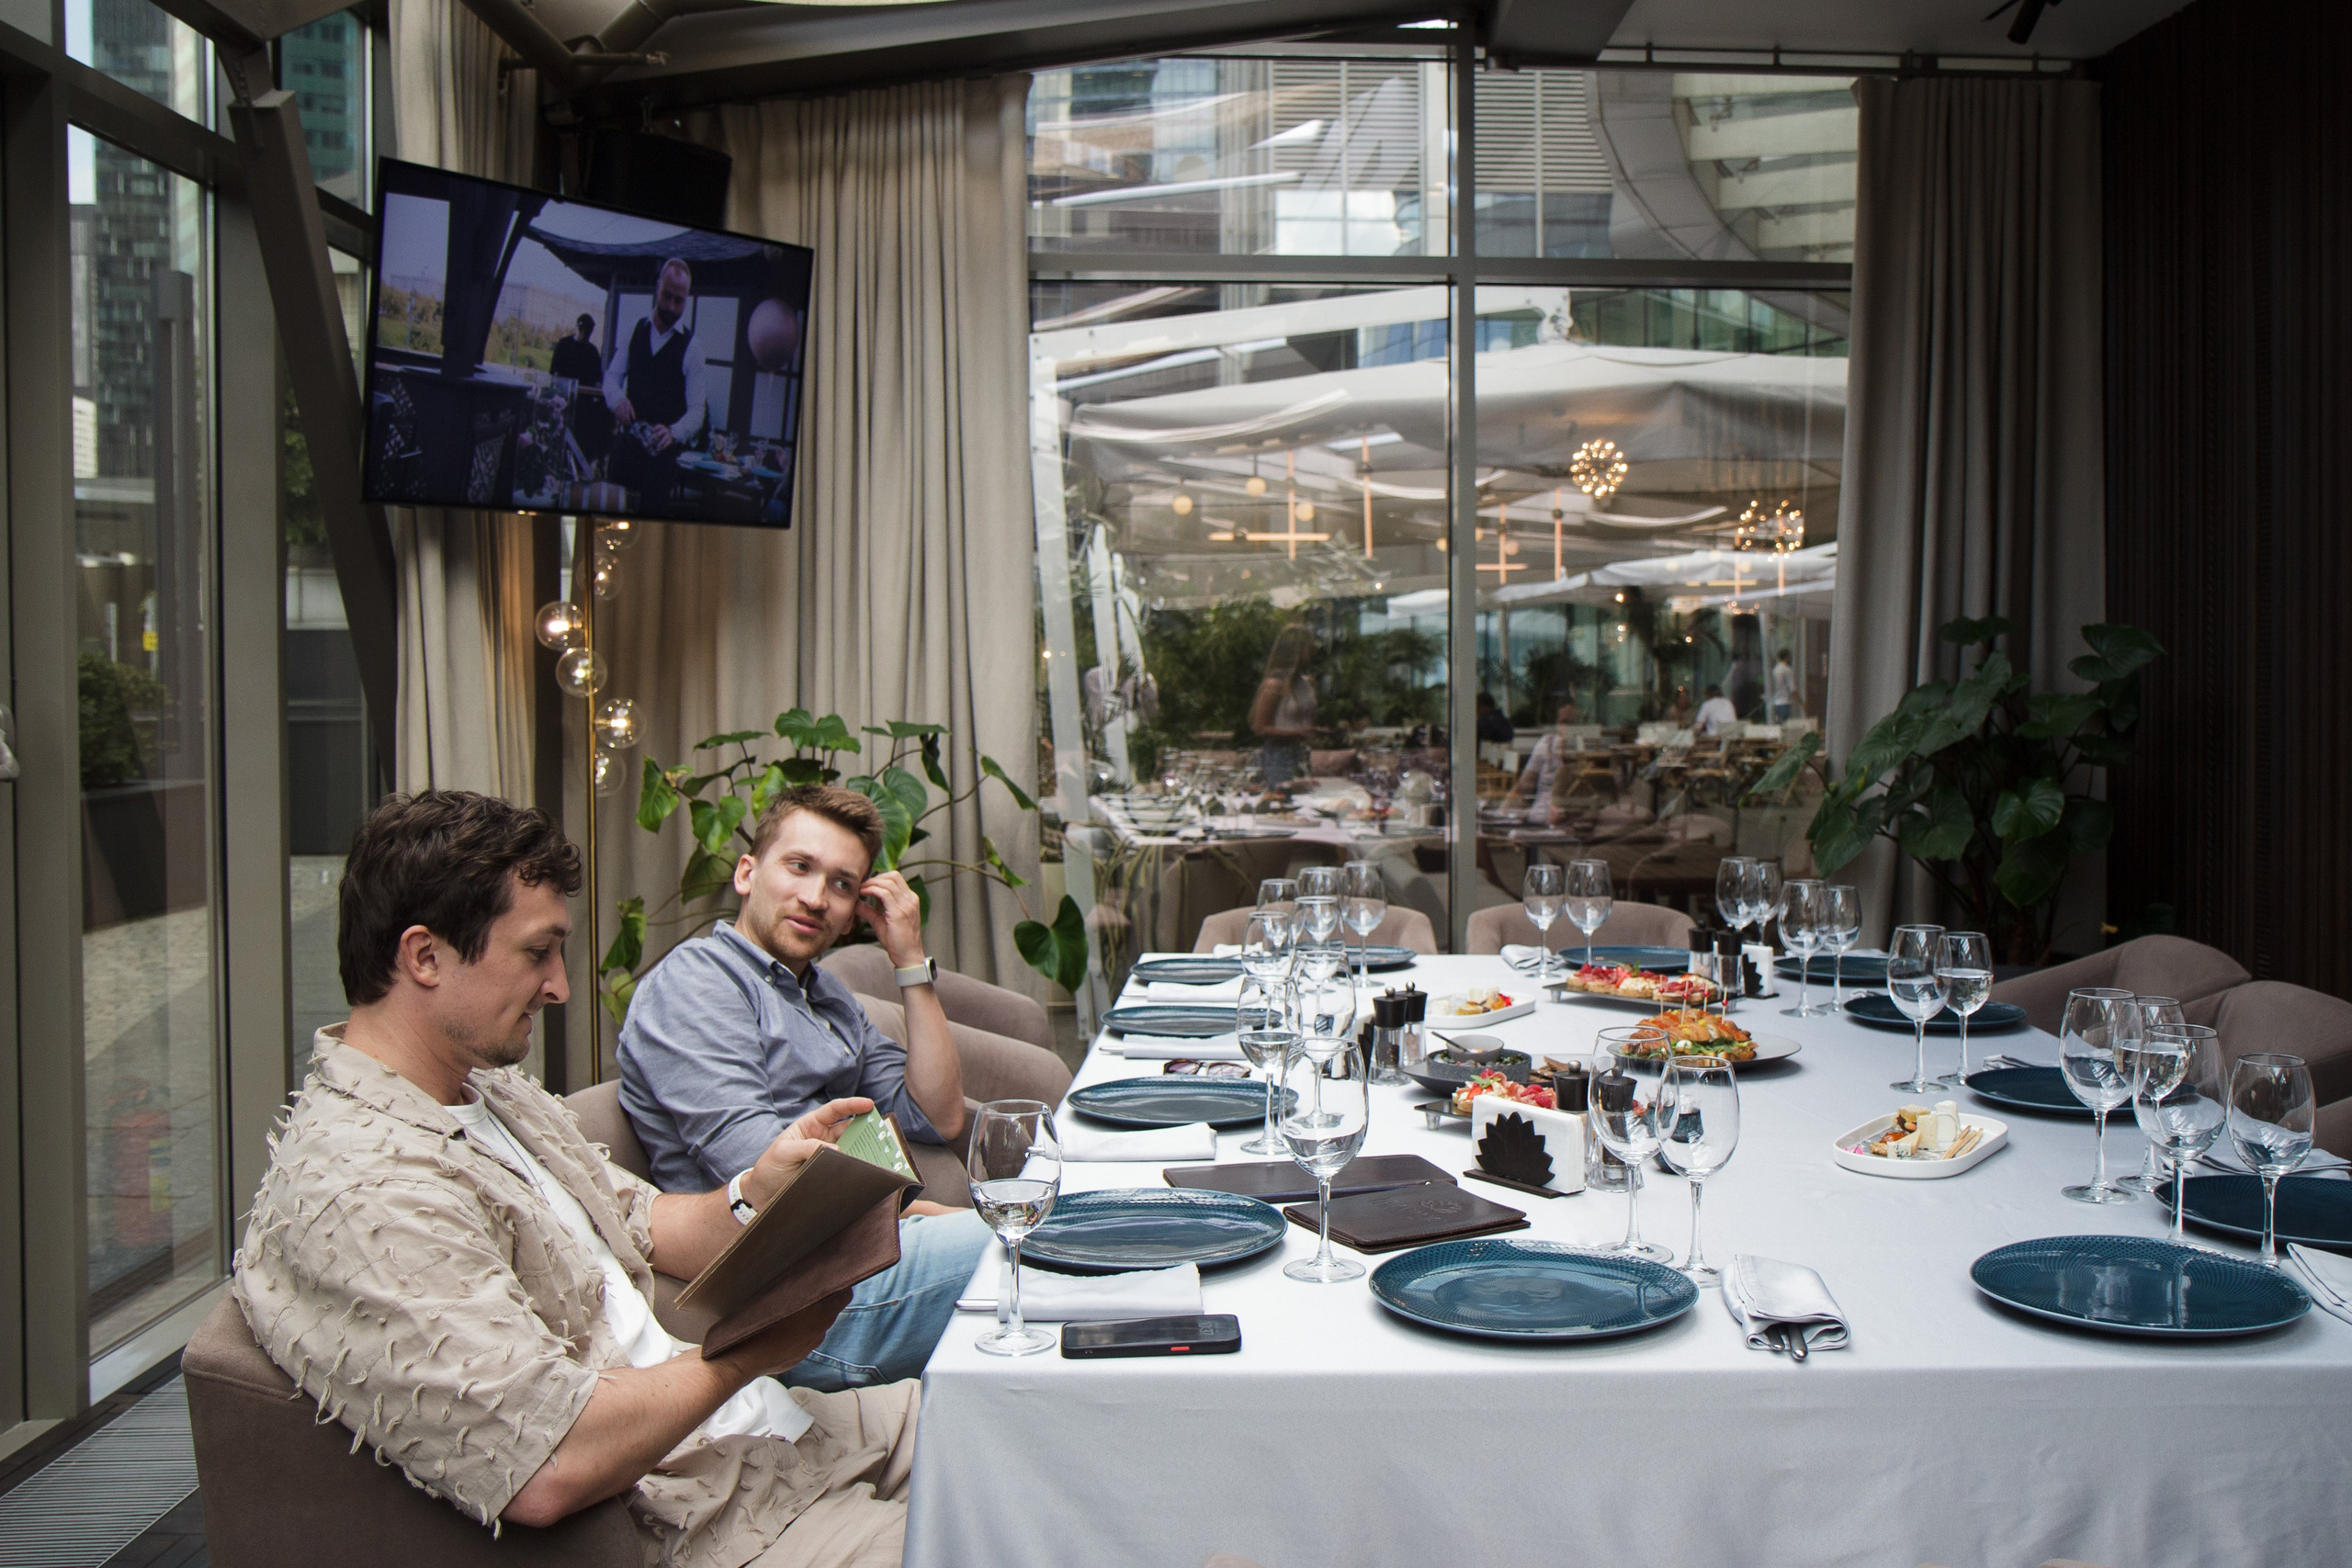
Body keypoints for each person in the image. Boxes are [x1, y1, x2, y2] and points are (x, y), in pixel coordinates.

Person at [232, 791, 916, 1565]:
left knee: (1020, 1416)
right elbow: (544, 1461)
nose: (559, 986)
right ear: (424, 956)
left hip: (767, 1431)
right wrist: (747, 1354)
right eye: (537, 951)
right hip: (705, 1505)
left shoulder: (488, 1091)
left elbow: (646, 1223)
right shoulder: (362, 1189)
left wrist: (756, 1188)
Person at [620, 785, 990, 1391]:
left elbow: (936, 1115)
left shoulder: (825, 996)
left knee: (1073, 1238)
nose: (816, 898)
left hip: (857, 1256)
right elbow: (767, 1178)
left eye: (842, 884)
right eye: (799, 866)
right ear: (747, 872)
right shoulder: (695, 984)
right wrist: (924, 1210)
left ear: (854, 911)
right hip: (790, 1300)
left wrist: (909, 960)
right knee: (1035, 1241)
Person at [605, 257, 711, 510]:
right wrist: (617, 399)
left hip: (661, 462)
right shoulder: (635, 330)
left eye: (679, 301)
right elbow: (611, 377)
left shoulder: (693, 348)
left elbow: (697, 410)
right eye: (667, 296)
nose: (672, 307)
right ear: (657, 288)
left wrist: (674, 432)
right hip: (626, 450)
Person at [1249, 623, 1317, 785]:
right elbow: (1260, 728)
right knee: (1282, 795)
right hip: (1279, 756)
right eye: (1307, 647)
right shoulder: (1274, 685)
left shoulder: (1306, 683)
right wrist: (1297, 733)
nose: (1312, 652)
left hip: (1301, 753)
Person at [1508, 701, 1580, 823]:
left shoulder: (1593, 752)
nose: (1569, 729)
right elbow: (1524, 786)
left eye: (1574, 724)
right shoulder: (1547, 743)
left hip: (1573, 820)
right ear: (1557, 724)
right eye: (1564, 723)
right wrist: (1502, 814)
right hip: (1539, 817)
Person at [549, 312, 603, 385]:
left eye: (589, 331)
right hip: (563, 388)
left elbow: (597, 377)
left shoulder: (593, 352)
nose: (586, 334)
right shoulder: (563, 344)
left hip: (583, 390)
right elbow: (554, 370)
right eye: (584, 330)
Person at [1770, 649, 1802, 721]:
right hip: (1785, 700)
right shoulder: (1787, 670)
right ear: (1787, 657)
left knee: (1779, 722)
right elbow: (1792, 688)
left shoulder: (1775, 669)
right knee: (1786, 723)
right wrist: (1800, 702)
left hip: (1777, 701)